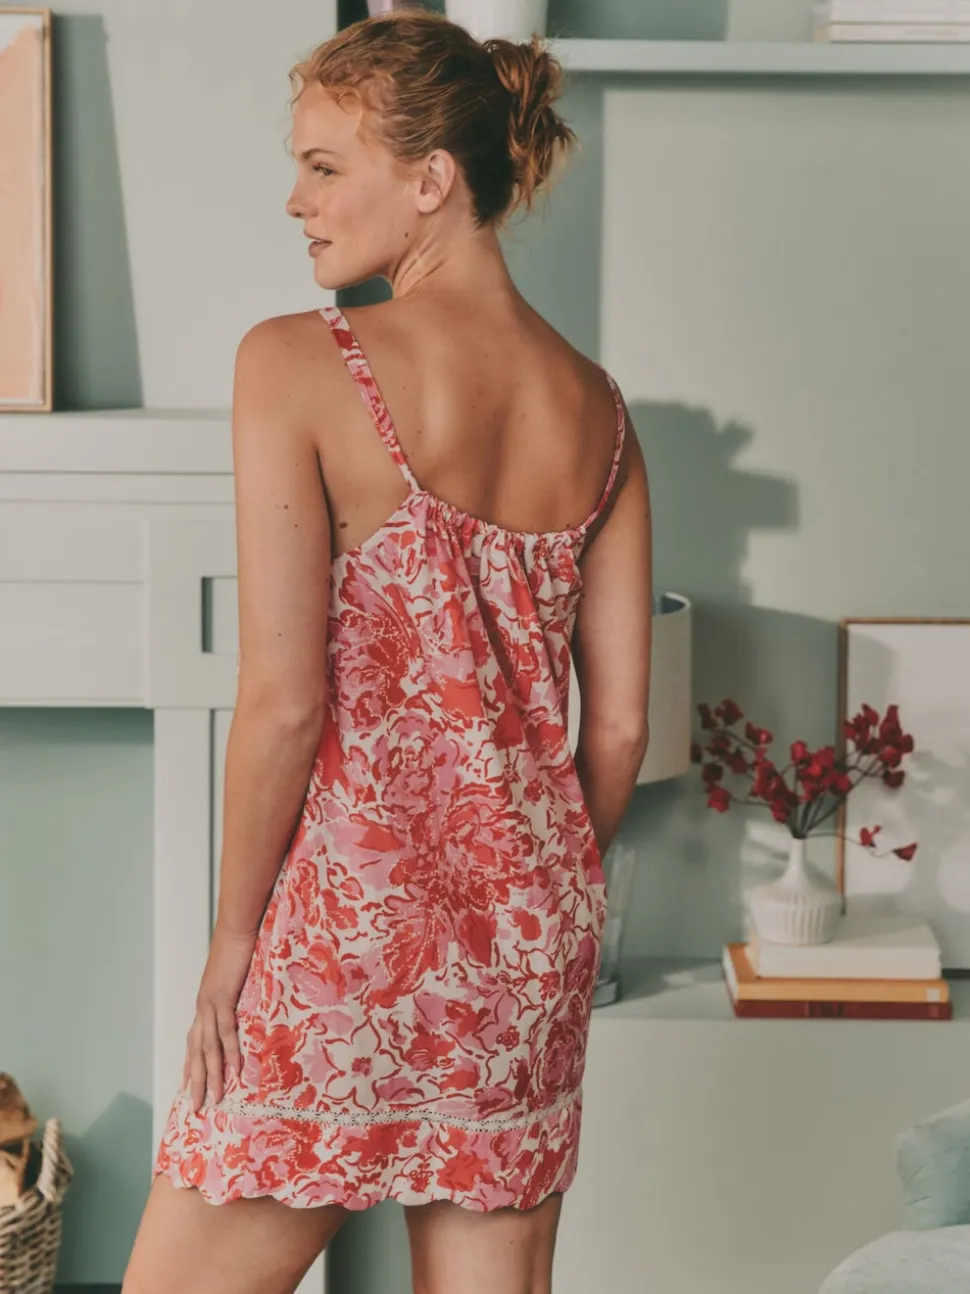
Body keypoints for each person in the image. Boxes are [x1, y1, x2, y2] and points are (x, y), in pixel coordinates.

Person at [122, 11, 652, 1294]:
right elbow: (622, 726)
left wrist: (232, 944)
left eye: (323, 166)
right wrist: (525, 887)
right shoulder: (599, 406)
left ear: (431, 180)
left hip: (343, 933)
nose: (294, 200)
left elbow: (282, 703)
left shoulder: (294, 362)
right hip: (525, 945)